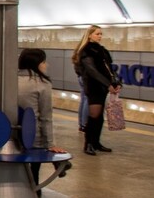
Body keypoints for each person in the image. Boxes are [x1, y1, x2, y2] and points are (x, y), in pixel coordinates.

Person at [16, 48, 67, 189]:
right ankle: (35, 187)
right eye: (44, 62)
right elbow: (45, 117)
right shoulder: (42, 84)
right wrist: (51, 144)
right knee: (40, 141)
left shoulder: (9, 80)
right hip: (32, 136)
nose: (46, 65)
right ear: (36, 63)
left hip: (10, 134)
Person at [72, 25, 121, 155]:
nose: (100, 36)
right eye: (97, 34)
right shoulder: (86, 50)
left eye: (101, 34)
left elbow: (109, 69)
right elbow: (92, 71)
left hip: (102, 86)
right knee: (94, 115)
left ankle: (96, 142)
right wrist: (108, 84)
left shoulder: (101, 50)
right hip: (93, 86)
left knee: (99, 116)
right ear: (89, 35)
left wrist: (115, 82)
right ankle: (88, 143)